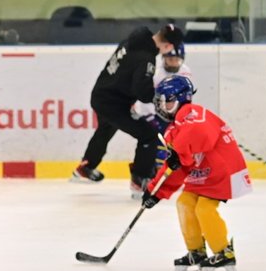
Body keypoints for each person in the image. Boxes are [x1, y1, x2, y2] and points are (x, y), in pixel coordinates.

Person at [141, 75, 252, 271]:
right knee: (184, 202)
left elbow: (201, 135)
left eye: (168, 101)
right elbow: (178, 166)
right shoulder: (173, 129)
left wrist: (179, 153)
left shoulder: (194, 113)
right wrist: (156, 191)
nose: (163, 107)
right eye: (162, 102)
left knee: (204, 208)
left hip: (223, 171)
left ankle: (224, 253)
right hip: (203, 174)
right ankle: (196, 252)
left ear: (181, 99)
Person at [70, 22, 185, 198]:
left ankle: (87, 166)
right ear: (168, 45)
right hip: (113, 102)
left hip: (102, 93)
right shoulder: (147, 58)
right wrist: (161, 98)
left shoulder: (135, 38)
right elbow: (142, 91)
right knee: (148, 135)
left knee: (106, 127)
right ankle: (140, 179)